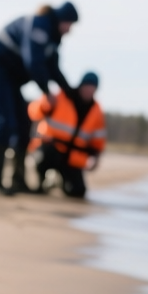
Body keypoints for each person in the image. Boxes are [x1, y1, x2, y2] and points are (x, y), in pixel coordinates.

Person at [0, 2, 78, 195]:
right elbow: (34, 62)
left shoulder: (52, 39)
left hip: (10, 77)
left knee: (23, 124)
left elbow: (53, 69)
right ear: (62, 19)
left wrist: (71, 93)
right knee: (3, 121)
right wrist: (47, 91)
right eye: (69, 25)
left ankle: (17, 180)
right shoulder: (40, 25)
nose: (69, 30)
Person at [27, 71, 106, 199]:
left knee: (78, 191)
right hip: (50, 149)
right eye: (87, 86)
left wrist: (96, 157)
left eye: (93, 88)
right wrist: (46, 103)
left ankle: (56, 181)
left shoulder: (96, 111)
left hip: (72, 158)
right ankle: (42, 182)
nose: (89, 90)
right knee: (42, 158)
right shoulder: (61, 96)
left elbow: (98, 140)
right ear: (81, 85)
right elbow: (33, 112)